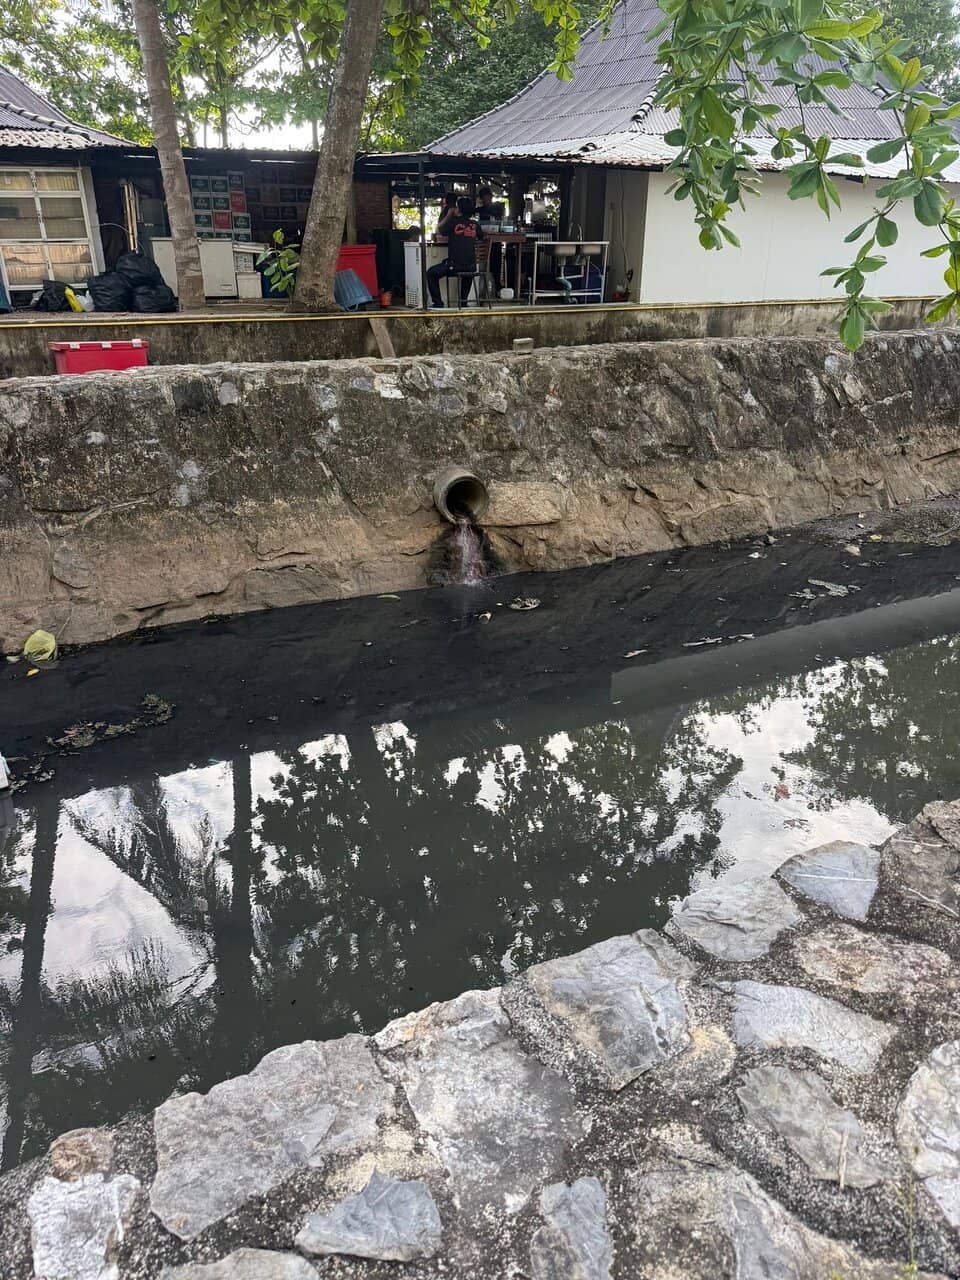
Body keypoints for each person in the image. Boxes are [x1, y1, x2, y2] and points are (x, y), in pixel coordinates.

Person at [427, 196, 484, 307]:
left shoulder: (453, 223)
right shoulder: (475, 225)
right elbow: (482, 237)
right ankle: (463, 302)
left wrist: (448, 215)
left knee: (431, 273)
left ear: (459, 210)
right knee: (467, 270)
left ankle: (438, 303)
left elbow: (438, 230)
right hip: (472, 266)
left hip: (456, 266)